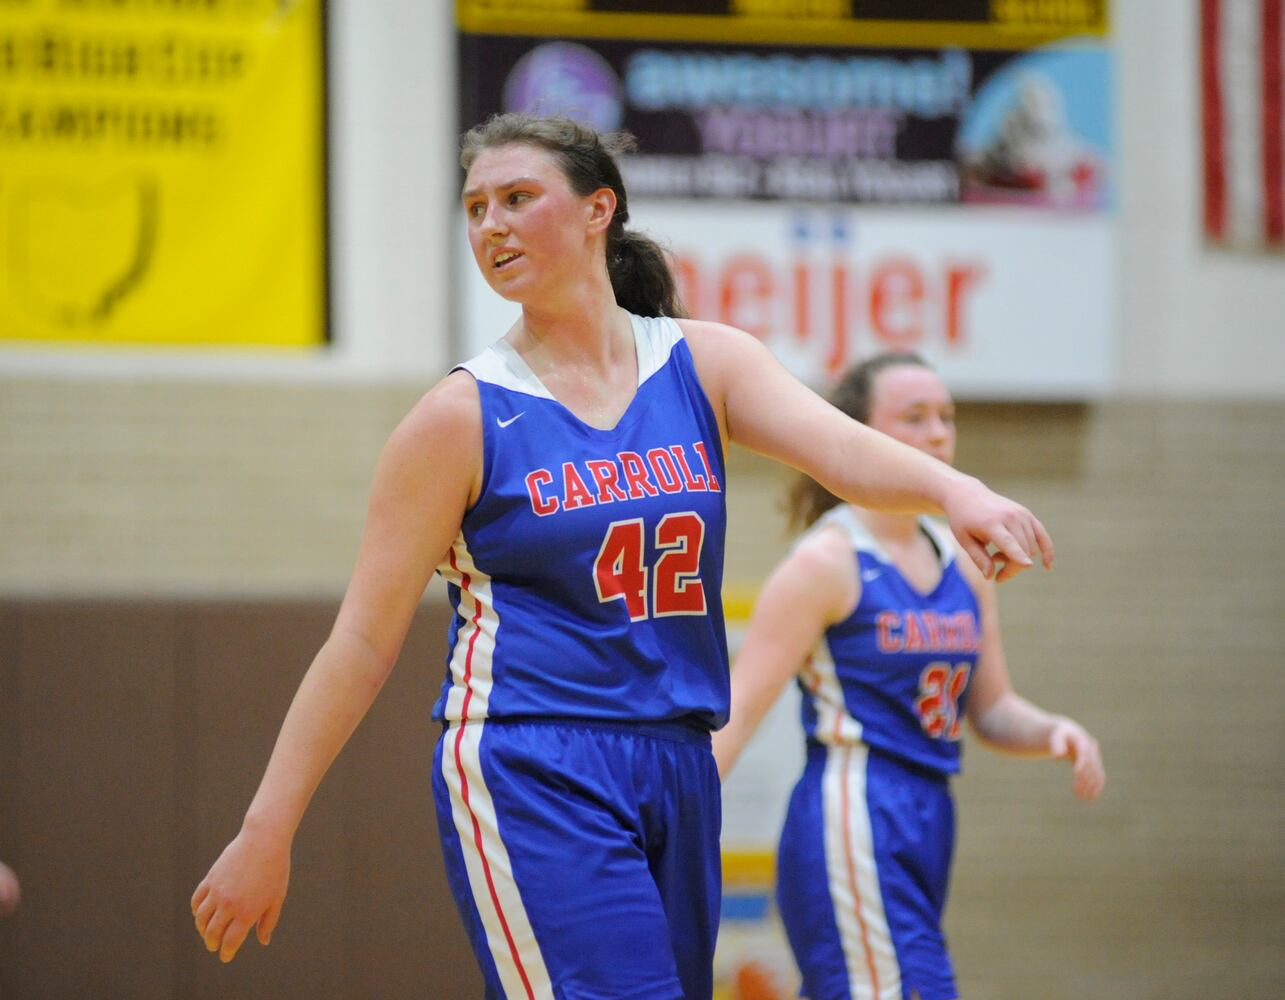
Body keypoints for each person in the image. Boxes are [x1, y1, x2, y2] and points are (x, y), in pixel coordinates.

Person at [190, 114, 1054, 999]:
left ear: (598, 208)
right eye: (475, 206)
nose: (490, 224)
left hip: (675, 759)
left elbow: (841, 451)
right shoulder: (459, 417)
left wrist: (961, 493)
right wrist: (268, 825)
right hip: (533, 757)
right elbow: (362, 643)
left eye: (518, 199)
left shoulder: (703, 363)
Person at [711, 351, 1104, 1000]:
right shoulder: (825, 562)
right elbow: (740, 708)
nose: (937, 434)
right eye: (914, 417)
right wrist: (664, 828)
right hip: (853, 808)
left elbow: (991, 708)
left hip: (928, 811)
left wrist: (1053, 731)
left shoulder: (962, 558)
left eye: (946, 417)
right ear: (860, 434)